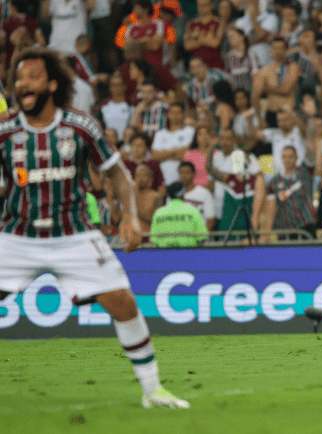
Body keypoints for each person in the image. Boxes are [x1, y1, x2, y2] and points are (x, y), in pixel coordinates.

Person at [0, 47, 187, 408]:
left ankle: (153, 390)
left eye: (32, 76)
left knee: (124, 303)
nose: (23, 83)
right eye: (18, 77)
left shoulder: (81, 126)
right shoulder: (5, 132)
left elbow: (117, 173)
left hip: (74, 235)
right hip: (16, 236)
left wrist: (130, 216)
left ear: (52, 84)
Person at [262, 146, 317, 242]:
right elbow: (270, 209)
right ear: (281, 159)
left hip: (306, 226)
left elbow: (311, 156)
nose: (287, 160)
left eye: (291, 156)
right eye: (285, 157)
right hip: (286, 229)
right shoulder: (274, 182)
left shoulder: (305, 173)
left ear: (296, 157)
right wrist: (266, 234)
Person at [150, 182, 208, 247]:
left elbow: (154, 240)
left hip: (164, 255)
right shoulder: (193, 211)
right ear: (183, 193)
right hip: (189, 254)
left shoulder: (158, 213)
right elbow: (202, 237)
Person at [151, 102, 195, 186]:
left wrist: (164, 154)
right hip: (163, 179)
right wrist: (176, 151)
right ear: (168, 114)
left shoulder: (190, 131)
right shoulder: (160, 134)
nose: (175, 115)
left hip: (184, 180)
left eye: (178, 112)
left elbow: (186, 155)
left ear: (183, 114)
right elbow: (155, 156)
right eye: (173, 112)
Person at [178, 161, 216, 230]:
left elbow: (211, 220)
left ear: (194, 174)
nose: (183, 176)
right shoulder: (174, 194)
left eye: (187, 173)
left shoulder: (204, 193)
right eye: (181, 173)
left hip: (199, 237)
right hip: (180, 237)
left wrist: (201, 238)